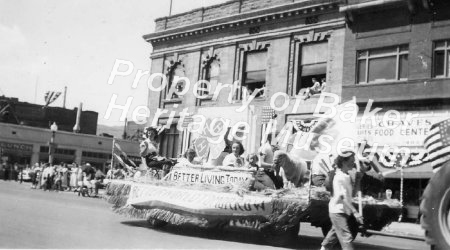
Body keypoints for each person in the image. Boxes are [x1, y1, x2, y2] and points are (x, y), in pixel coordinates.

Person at [320, 151, 363, 250]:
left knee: (333, 236)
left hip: (344, 211)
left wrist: (358, 180)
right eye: (351, 161)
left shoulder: (347, 176)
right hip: (338, 210)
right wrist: (355, 212)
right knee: (346, 237)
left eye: (353, 161)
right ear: (343, 162)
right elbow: (342, 197)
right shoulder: (339, 177)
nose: (353, 163)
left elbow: (351, 195)